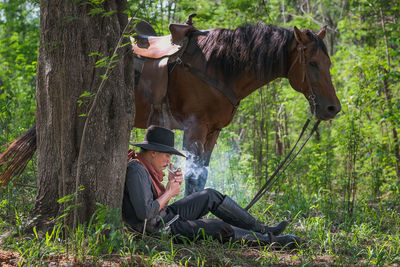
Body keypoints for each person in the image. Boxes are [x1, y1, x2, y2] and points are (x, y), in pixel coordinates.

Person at [122, 125, 299, 247]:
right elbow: (145, 213)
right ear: (153, 152)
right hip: (161, 228)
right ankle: (272, 241)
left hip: (167, 216)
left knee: (210, 195)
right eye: (167, 155)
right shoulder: (137, 171)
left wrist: (170, 186)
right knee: (220, 227)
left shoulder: (145, 168)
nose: (169, 160)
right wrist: (169, 193)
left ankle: (262, 228)